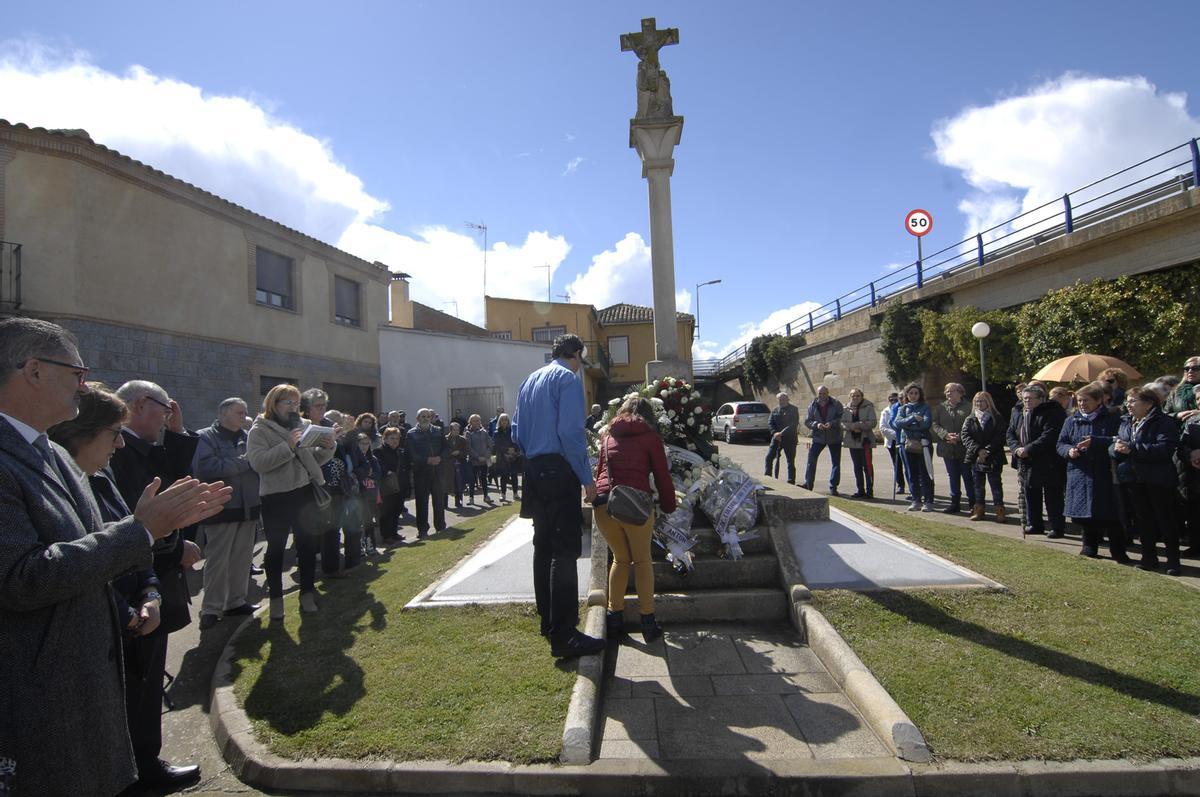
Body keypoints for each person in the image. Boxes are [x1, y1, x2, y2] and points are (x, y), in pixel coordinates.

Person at [0, 317, 230, 797]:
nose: (83, 386)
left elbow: (93, 544)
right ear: (34, 371)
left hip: (84, 682)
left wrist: (139, 585)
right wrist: (142, 530)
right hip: (38, 699)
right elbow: (22, 577)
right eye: (76, 373)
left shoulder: (52, 452)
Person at [108, 380, 205, 785]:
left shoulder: (144, 446)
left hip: (152, 571)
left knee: (147, 674)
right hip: (138, 574)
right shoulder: (122, 452)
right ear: (136, 405)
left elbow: (175, 485)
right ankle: (143, 766)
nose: (168, 415)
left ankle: (143, 760)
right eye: (163, 408)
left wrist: (178, 434)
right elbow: (140, 513)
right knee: (141, 679)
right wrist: (173, 547)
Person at [513, 333, 604, 659]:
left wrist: (534, 456)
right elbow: (570, 432)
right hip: (557, 468)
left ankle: (548, 621)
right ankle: (564, 635)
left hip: (533, 468)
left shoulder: (530, 380)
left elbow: (516, 430)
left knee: (544, 545)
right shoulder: (567, 379)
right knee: (565, 550)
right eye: (581, 359)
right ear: (576, 355)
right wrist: (586, 477)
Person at [246, 384, 335, 619]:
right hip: (276, 497)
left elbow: (314, 458)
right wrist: (287, 446)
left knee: (307, 545)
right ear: (273, 404)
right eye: (288, 403)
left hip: (304, 493)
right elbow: (259, 463)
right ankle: (276, 598)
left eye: (296, 403)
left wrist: (328, 446)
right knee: (275, 549)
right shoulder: (259, 430)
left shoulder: (303, 426)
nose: (294, 408)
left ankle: (307, 592)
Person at [593, 395, 677, 643]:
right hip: (635, 506)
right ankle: (648, 623)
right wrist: (669, 505)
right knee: (642, 561)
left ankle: (614, 619)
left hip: (604, 506)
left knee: (620, 559)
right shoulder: (650, 437)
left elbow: (600, 473)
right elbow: (662, 475)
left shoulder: (607, 436)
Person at [191, 397, 261, 631]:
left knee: (242, 558)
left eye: (245, 412)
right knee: (218, 560)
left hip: (248, 507)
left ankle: (235, 602)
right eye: (239, 413)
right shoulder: (206, 437)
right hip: (221, 507)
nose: (244, 416)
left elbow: (258, 464)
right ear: (223, 415)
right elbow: (206, 467)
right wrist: (244, 463)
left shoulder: (248, 437)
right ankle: (211, 608)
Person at [1111, 386, 1182, 574]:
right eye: (1127, 400)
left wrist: (1133, 448)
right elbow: (1117, 443)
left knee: (1165, 519)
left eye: (1133, 400)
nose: (1129, 404)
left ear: (1149, 403)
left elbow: (1165, 448)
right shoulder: (1126, 421)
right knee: (1143, 520)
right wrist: (1116, 449)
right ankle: (1148, 557)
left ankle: (1173, 561)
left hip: (1158, 479)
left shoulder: (1163, 422)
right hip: (1133, 478)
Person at [1057, 382, 1128, 562]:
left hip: (1105, 472)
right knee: (1085, 514)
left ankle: (1118, 550)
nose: (1082, 404)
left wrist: (1095, 442)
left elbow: (1118, 439)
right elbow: (1061, 443)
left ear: (1099, 401)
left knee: (1110, 515)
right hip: (1080, 472)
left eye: (1086, 400)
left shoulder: (1112, 418)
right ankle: (1089, 546)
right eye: (1079, 400)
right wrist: (1069, 451)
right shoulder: (1071, 420)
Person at [301, 389, 354, 579]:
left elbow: (342, 453)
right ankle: (307, 573)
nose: (322, 409)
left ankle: (331, 568)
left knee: (333, 527)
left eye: (324, 405)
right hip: (310, 484)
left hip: (334, 483)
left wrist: (341, 437)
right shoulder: (300, 426)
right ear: (306, 408)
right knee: (310, 529)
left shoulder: (329, 425)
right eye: (318, 405)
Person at [1007, 383, 1068, 538]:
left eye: (1030, 398)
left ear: (1041, 398)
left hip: (1048, 460)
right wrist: (1016, 449)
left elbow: (1049, 435)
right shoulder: (1018, 411)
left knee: (1052, 496)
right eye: (1024, 398)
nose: (1026, 401)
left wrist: (1028, 449)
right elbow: (1011, 433)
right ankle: (1035, 524)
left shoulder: (1053, 411)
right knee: (1030, 494)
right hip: (1025, 461)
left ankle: (1057, 527)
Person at [960, 391, 1006, 522]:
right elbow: (965, 436)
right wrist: (978, 450)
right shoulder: (970, 418)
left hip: (994, 456)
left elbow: (1001, 436)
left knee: (996, 485)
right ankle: (979, 511)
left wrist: (987, 450)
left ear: (988, 402)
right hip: (976, 457)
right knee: (978, 486)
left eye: (982, 401)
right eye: (977, 401)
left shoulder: (997, 417)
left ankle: (1000, 511)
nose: (979, 404)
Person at [892, 383, 935, 511]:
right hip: (907, 444)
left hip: (923, 444)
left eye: (916, 393)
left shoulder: (925, 407)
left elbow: (926, 424)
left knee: (925, 473)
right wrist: (913, 418)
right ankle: (916, 500)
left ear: (920, 394)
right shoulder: (903, 409)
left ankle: (928, 501)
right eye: (911, 393)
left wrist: (909, 424)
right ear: (907, 395)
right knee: (911, 474)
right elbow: (897, 423)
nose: (913, 395)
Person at [932, 382, 972, 514]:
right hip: (947, 448)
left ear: (960, 392)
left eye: (952, 391)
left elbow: (973, 425)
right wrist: (945, 435)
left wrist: (960, 437)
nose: (949, 393)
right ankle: (955, 503)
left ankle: (973, 503)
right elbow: (935, 424)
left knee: (967, 476)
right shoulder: (940, 408)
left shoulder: (969, 407)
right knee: (953, 476)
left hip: (965, 448)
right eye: (947, 391)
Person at [408, 408, 447, 538]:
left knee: (439, 501)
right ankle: (423, 529)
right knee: (421, 502)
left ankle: (441, 526)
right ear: (417, 419)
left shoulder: (438, 431)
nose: (425, 418)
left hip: (437, 471)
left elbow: (446, 448)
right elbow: (411, 454)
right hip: (421, 473)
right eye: (423, 416)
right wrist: (427, 460)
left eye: (428, 416)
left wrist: (440, 458)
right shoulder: (411, 433)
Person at [801, 385, 843, 495]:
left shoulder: (836, 404)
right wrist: (817, 424)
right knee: (811, 460)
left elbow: (842, 418)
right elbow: (807, 421)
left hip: (834, 437)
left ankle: (833, 487)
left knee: (836, 463)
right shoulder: (813, 405)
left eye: (824, 393)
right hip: (818, 437)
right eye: (820, 393)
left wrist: (832, 423)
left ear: (828, 393)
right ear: (817, 394)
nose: (822, 396)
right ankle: (808, 484)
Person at [376, 426, 409, 544]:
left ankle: (394, 533)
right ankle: (386, 535)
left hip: (399, 486)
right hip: (387, 486)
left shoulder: (400, 451)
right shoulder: (379, 451)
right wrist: (387, 472)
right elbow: (378, 467)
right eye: (392, 438)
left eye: (397, 438)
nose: (395, 441)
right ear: (385, 438)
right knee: (386, 512)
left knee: (397, 510)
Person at [843, 388, 877, 498]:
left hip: (865, 440)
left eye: (857, 395)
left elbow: (873, 422)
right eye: (853, 395)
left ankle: (869, 490)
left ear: (861, 396)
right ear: (850, 397)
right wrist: (851, 427)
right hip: (852, 441)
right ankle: (860, 490)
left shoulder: (868, 406)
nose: (855, 397)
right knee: (857, 467)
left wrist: (859, 425)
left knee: (867, 466)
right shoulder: (846, 408)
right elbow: (842, 423)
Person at [764, 392, 800, 484]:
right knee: (769, 458)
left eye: (784, 399)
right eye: (780, 400)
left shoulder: (794, 409)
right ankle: (768, 478)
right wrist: (775, 433)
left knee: (790, 461)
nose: (782, 401)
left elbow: (793, 424)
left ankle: (791, 481)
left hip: (789, 439)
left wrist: (781, 433)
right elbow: (770, 423)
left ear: (787, 399)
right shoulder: (775, 410)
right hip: (776, 438)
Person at [879, 391, 906, 495]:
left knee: (907, 465)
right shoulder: (885, 411)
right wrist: (896, 434)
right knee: (897, 464)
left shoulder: (903, 408)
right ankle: (900, 485)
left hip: (904, 440)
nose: (893, 401)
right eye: (891, 399)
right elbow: (882, 428)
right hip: (892, 441)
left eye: (895, 399)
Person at [493, 412, 522, 500]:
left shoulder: (512, 431)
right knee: (503, 476)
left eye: (505, 420)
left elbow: (515, 441)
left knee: (514, 475)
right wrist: (506, 450)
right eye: (502, 420)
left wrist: (513, 450)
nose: (504, 421)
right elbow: (496, 445)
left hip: (512, 456)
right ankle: (503, 494)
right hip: (502, 457)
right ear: (499, 421)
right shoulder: (497, 432)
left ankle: (515, 493)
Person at [466, 414, 494, 503]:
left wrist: (486, 456)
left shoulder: (484, 432)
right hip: (474, 461)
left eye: (478, 420)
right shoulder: (468, 433)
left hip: (484, 461)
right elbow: (469, 448)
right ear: (470, 422)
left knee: (484, 478)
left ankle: (486, 496)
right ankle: (471, 498)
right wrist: (478, 457)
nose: (476, 422)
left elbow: (490, 444)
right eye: (474, 420)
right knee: (472, 479)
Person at [1165, 356, 1200, 424]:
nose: (1190, 371)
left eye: (1195, 368)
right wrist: (1177, 415)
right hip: (1180, 432)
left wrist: (1198, 414)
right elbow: (1164, 414)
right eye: (1187, 369)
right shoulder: (1175, 392)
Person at [444, 421, 471, 508]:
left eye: (458, 429)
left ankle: (458, 501)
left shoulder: (462, 440)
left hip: (459, 464)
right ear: (450, 430)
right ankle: (445, 503)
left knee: (458, 483)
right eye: (454, 429)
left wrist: (459, 452)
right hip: (448, 465)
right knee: (446, 484)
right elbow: (443, 451)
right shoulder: (445, 439)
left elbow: (466, 451)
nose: (456, 431)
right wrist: (451, 453)